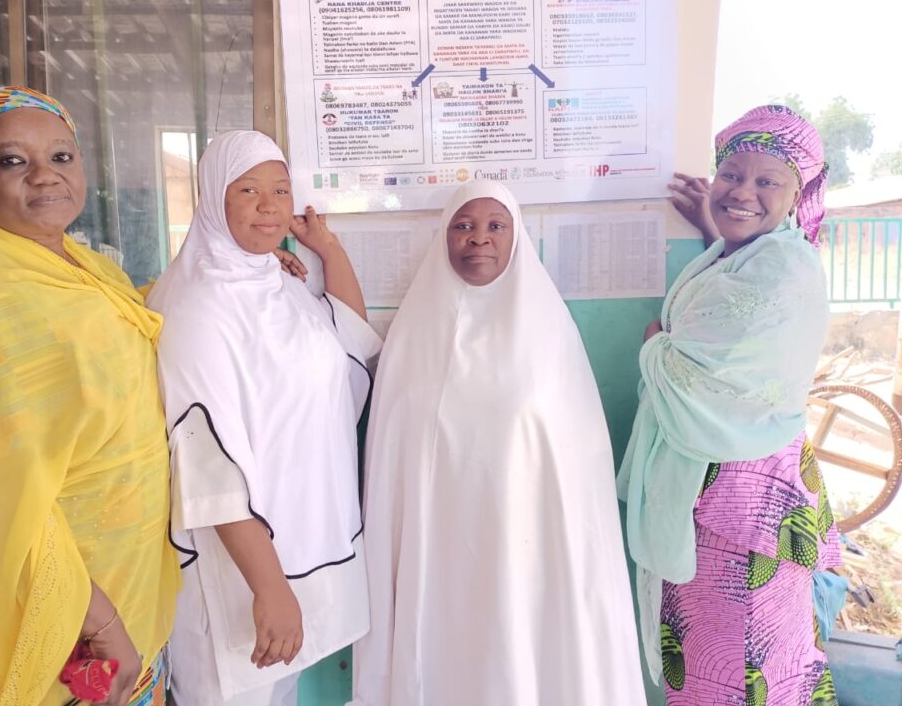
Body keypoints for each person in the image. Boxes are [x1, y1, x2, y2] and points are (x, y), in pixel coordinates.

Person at [0, 86, 180, 706]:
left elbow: (123, 327)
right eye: (12, 161)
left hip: (127, 567)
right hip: (64, 599)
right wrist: (95, 620)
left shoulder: (86, 269)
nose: (45, 178)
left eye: (61, 158)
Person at [352, 180, 647, 705]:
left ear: (517, 238)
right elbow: (392, 455)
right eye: (463, 226)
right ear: (445, 236)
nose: (478, 239)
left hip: (524, 547)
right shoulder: (412, 334)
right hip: (434, 549)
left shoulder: (549, 335)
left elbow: (574, 468)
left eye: (495, 226)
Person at [617, 105, 842, 704]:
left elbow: (706, 379)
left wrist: (655, 347)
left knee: (747, 664)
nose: (743, 192)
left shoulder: (785, 269)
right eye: (731, 175)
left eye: (767, 181)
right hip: (714, 500)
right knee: (707, 656)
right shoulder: (749, 254)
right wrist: (715, 229)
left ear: (799, 192)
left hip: (742, 510)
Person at [147, 130, 380, 706]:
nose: (269, 205)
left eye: (280, 189)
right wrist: (269, 588)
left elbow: (347, 343)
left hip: (296, 559)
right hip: (242, 579)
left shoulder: (277, 281)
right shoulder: (198, 306)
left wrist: (329, 249)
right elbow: (207, 464)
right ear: (212, 202)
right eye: (247, 190)